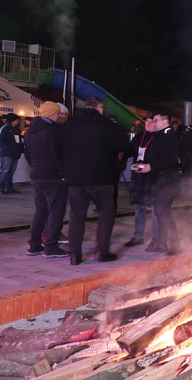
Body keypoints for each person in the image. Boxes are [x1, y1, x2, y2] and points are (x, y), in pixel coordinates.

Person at [62, 97, 128, 265]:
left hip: (75, 179)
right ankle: (102, 252)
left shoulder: (70, 124)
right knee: (106, 214)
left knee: (76, 217)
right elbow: (122, 146)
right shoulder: (107, 125)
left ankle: (74, 255)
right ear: (99, 108)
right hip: (101, 178)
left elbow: (59, 148)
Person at [23, 102, 69, 259]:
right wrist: (63, 173)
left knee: (40, 211)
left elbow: (27, 154)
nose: (60, 116)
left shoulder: (31, 130)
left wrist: (36, 167)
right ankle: (51, 246)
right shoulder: (52, 130)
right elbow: (57, 154)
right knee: (56, 211)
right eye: (58, 113)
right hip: (53, 177)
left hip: (36, 175)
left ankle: (34, 245)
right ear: (53, 114)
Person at [141, 112, 182, 253]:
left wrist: (151, 166)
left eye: (156, 120)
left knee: (164, 214)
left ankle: (175, 244)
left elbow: (170, 158)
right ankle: (162, 243)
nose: (153, 123)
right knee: (160, 213)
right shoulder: (159, 136)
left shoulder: (170, 137)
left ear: (165, 122)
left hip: (167, 183)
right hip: (159, 182)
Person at [123, 117, 159, 248]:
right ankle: (138, 236)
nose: (148, 124)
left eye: (152, 122)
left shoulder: (159, 138)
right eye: (147, 122)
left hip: (153, 177)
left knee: (155, 208)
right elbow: (128, 151)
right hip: (138, 176)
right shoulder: (139, 137)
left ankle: (156, 237)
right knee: (139, 207)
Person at [0, 113, 24, 195]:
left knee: (11, 172)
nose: (18, 121)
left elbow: (18, 141)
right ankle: (1, 188)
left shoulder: (16, 130)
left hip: (15, 154)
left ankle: (9, 187)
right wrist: (7, 149)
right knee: (5, 171)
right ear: (12, 120)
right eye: (17, 120)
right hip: (7, 154)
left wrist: (20, 148)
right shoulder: (4, 128)